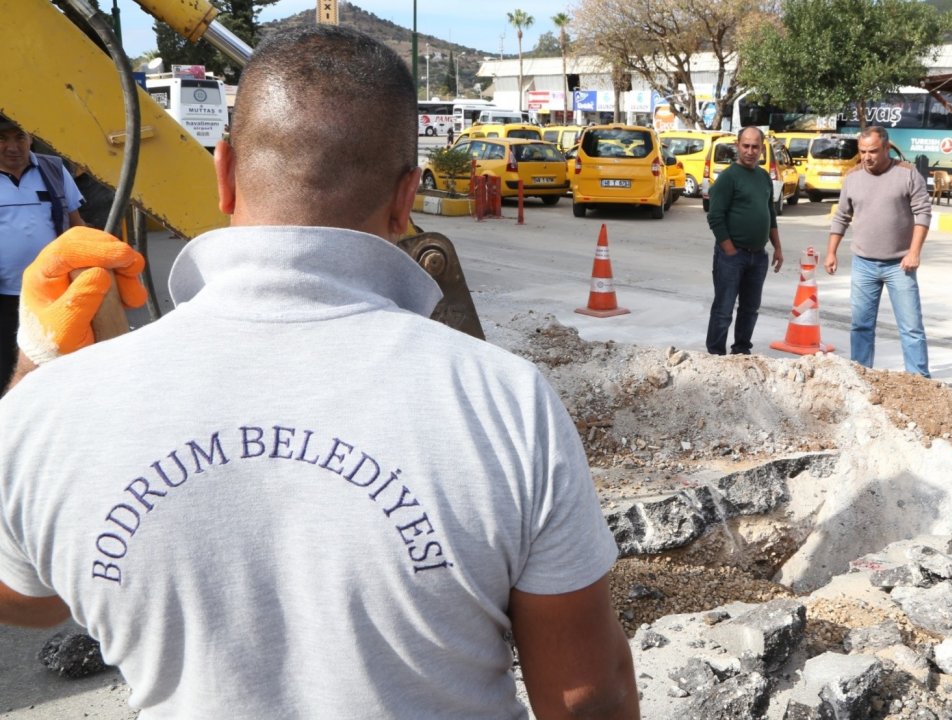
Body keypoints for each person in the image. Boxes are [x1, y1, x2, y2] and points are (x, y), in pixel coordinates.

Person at [0, 25, 638, 720]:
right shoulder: (504, 403)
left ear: (223, 172)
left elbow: (26, 600)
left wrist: (36, 369)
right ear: (405, 198)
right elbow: (584, 698)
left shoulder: (54, 411)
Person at [824, 125, 932, 377]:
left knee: (911, 327)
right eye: (862, 151)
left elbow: (923, 213)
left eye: (872, 151)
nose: (866, 157)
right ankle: (860, 375)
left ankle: (920, 380)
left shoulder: (907, 173)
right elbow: (841, 216)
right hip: (863, 263)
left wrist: (914, 252)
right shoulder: (852, 177)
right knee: (861, 325)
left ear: (886, 147)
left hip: (899, 265)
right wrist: (831, 252)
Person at [0, 114, 85, 391]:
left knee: (51, 366)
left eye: (19, 137)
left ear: (31, 138)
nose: (12, 146)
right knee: (5, 367)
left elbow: (76, 224)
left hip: (50, 294)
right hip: (4, 297)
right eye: (2, 139)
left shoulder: (54, 170)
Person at [705, 126, 783, 355]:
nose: (750, 151)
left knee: (750, 309)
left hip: (758, 256)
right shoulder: (728, 178)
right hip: (732, 256)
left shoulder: (762, 176)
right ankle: (716, 355)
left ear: (762, 149)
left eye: (755, 147)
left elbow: (770, 214)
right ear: (737, 146)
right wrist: (729, 250)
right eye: (746, 146)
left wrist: (777, 247)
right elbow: (715, 217)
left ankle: (741, 351)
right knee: (724, 308)